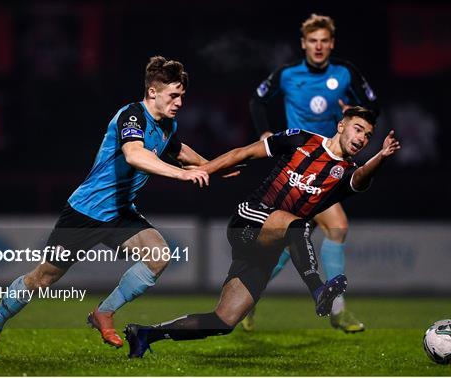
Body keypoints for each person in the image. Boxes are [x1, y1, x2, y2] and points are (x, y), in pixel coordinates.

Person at [0, 56, 211, 359]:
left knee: (158, 256)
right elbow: (135, 155)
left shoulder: (167, 124)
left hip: (120, 212)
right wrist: (183, 174)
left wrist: (213, 166)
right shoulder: (132, 116)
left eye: (182, 96)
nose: (179, 102)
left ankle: (103, 313)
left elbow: (179, 151)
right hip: (85, 213)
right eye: (174, 95)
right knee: (43, 278)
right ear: (153, 91)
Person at [124, 106, 400, 358]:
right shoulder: (301, 139)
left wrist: (382, 156)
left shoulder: (346, 173)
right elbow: (244, 153)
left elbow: (362, 176)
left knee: (223, 321)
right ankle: (318, 291)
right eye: (358, 128)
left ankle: (146, 333)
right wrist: (201, 169)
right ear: (341, 126)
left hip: (266, 248)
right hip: (248, 219)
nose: (362, 138)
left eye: (368, 135)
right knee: (299, 225)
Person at [246, 14, 379, 333]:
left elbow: (373, 106)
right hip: (300, 167)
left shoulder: (345, 73)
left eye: (324, 41)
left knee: (293, 242)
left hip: (333, 166)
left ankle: (248, 297)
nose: (318, 46)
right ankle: (337, 310)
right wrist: (264, 133)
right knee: (334, 228)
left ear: (331, 44)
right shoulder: (289, 74)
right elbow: (257, 101)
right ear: (304, 44)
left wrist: (355, 115)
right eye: (313, 41)